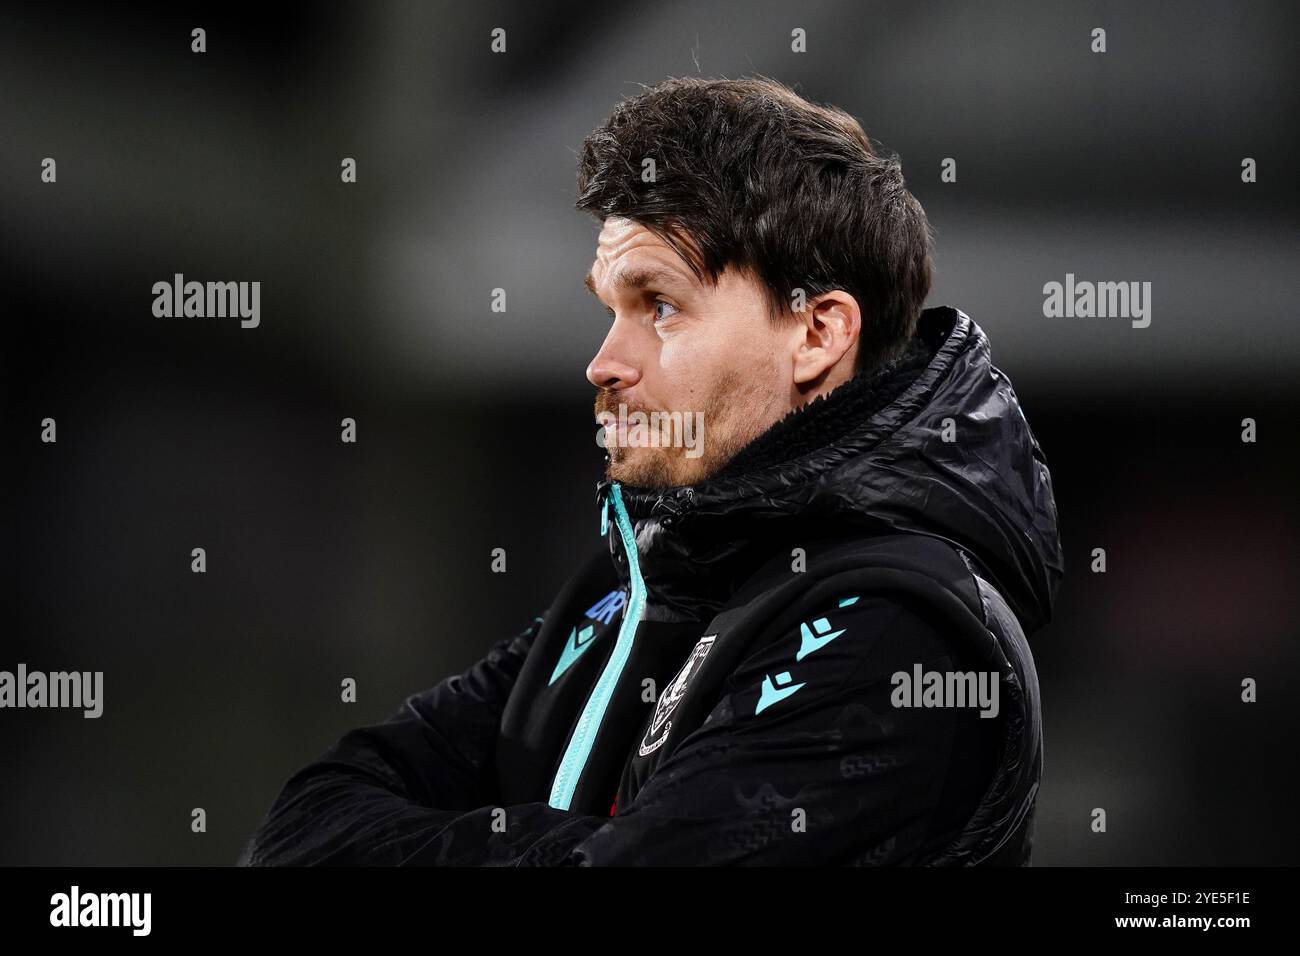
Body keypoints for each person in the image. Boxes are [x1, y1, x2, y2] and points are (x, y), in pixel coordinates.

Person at [238, 75, 1063, 866]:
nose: (603, 363)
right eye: (611, 310)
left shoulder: (902, 632)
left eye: (659, 306)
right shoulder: (635, 578)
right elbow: (302, 830)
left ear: (817, 334)